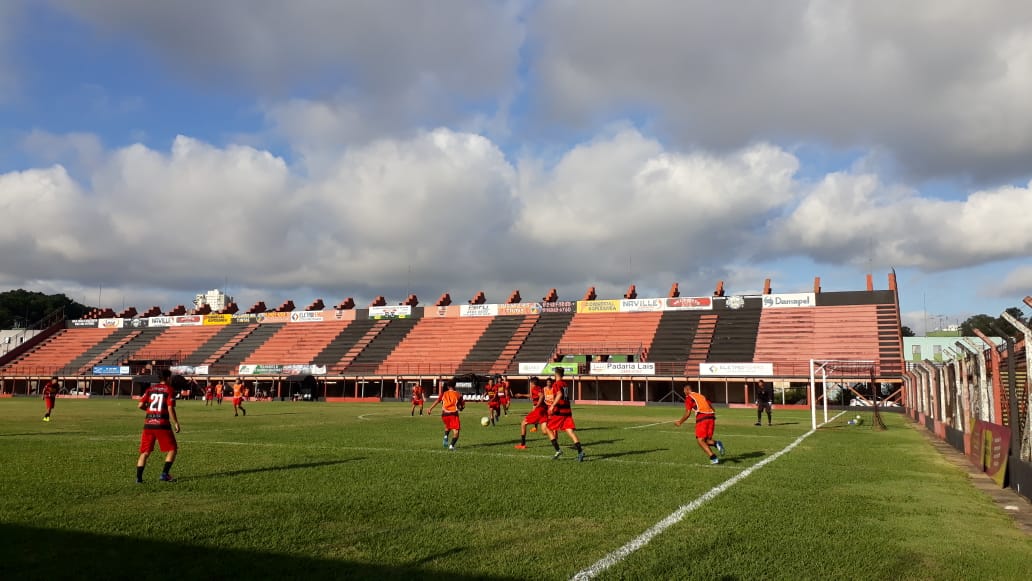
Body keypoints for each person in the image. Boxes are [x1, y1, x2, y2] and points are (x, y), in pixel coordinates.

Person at [136, 370, 181, 483]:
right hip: (162, 425)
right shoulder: (169, 390)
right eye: (170, 377)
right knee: (172, 449)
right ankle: (164, 475)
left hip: (148, 425)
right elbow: (170, 408)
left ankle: (139, 479)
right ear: (167, 378)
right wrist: (176, 422)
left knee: (145, 452)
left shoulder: (150, 389)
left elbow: (140, 405)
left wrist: (150, 411)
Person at [674, 384, 724, 464]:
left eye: (684, 390)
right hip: (711, 417)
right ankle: (716, 443)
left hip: (702, 417)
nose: (684, 392)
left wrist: (680, 422)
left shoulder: (689, 397)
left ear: (687, 390)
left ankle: (713, 458)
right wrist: (712, 415)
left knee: (700, 440)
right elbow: (711, 406)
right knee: (706, 441)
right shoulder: (700, 396)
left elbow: (688, 413)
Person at [546, 367, 584, 461]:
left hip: (560, 411)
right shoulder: (565, 384)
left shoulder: (556, 384)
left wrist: (552, 406)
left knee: (548, 428)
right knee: (570, 431)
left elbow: (559, 395)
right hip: (567, 411)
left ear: (556, 374)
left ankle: (558, 450)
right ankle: (580, 451)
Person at [427, 380, 464, 450]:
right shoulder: (458, 394)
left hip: (444, 415)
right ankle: (451, 446)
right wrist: (461, 408)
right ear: (454, 386)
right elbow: (462, 407)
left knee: (448, 426)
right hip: (453, 414)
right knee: (456, 432)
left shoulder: (444, 393)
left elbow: (437, 401)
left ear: (448, 386)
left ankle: (446, 436)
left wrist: (430, 409)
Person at [515, 377, 548, 449]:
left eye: (530, 383)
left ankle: (522, 445)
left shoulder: (534, 388)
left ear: (532, 383)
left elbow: (541, 396)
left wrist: (537, 405)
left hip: (539, 409)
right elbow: (532, 395)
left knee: (523, 423)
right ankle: (555, 432)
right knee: (545, 431)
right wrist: (521, 395)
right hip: (544, 409)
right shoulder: (539, 388)